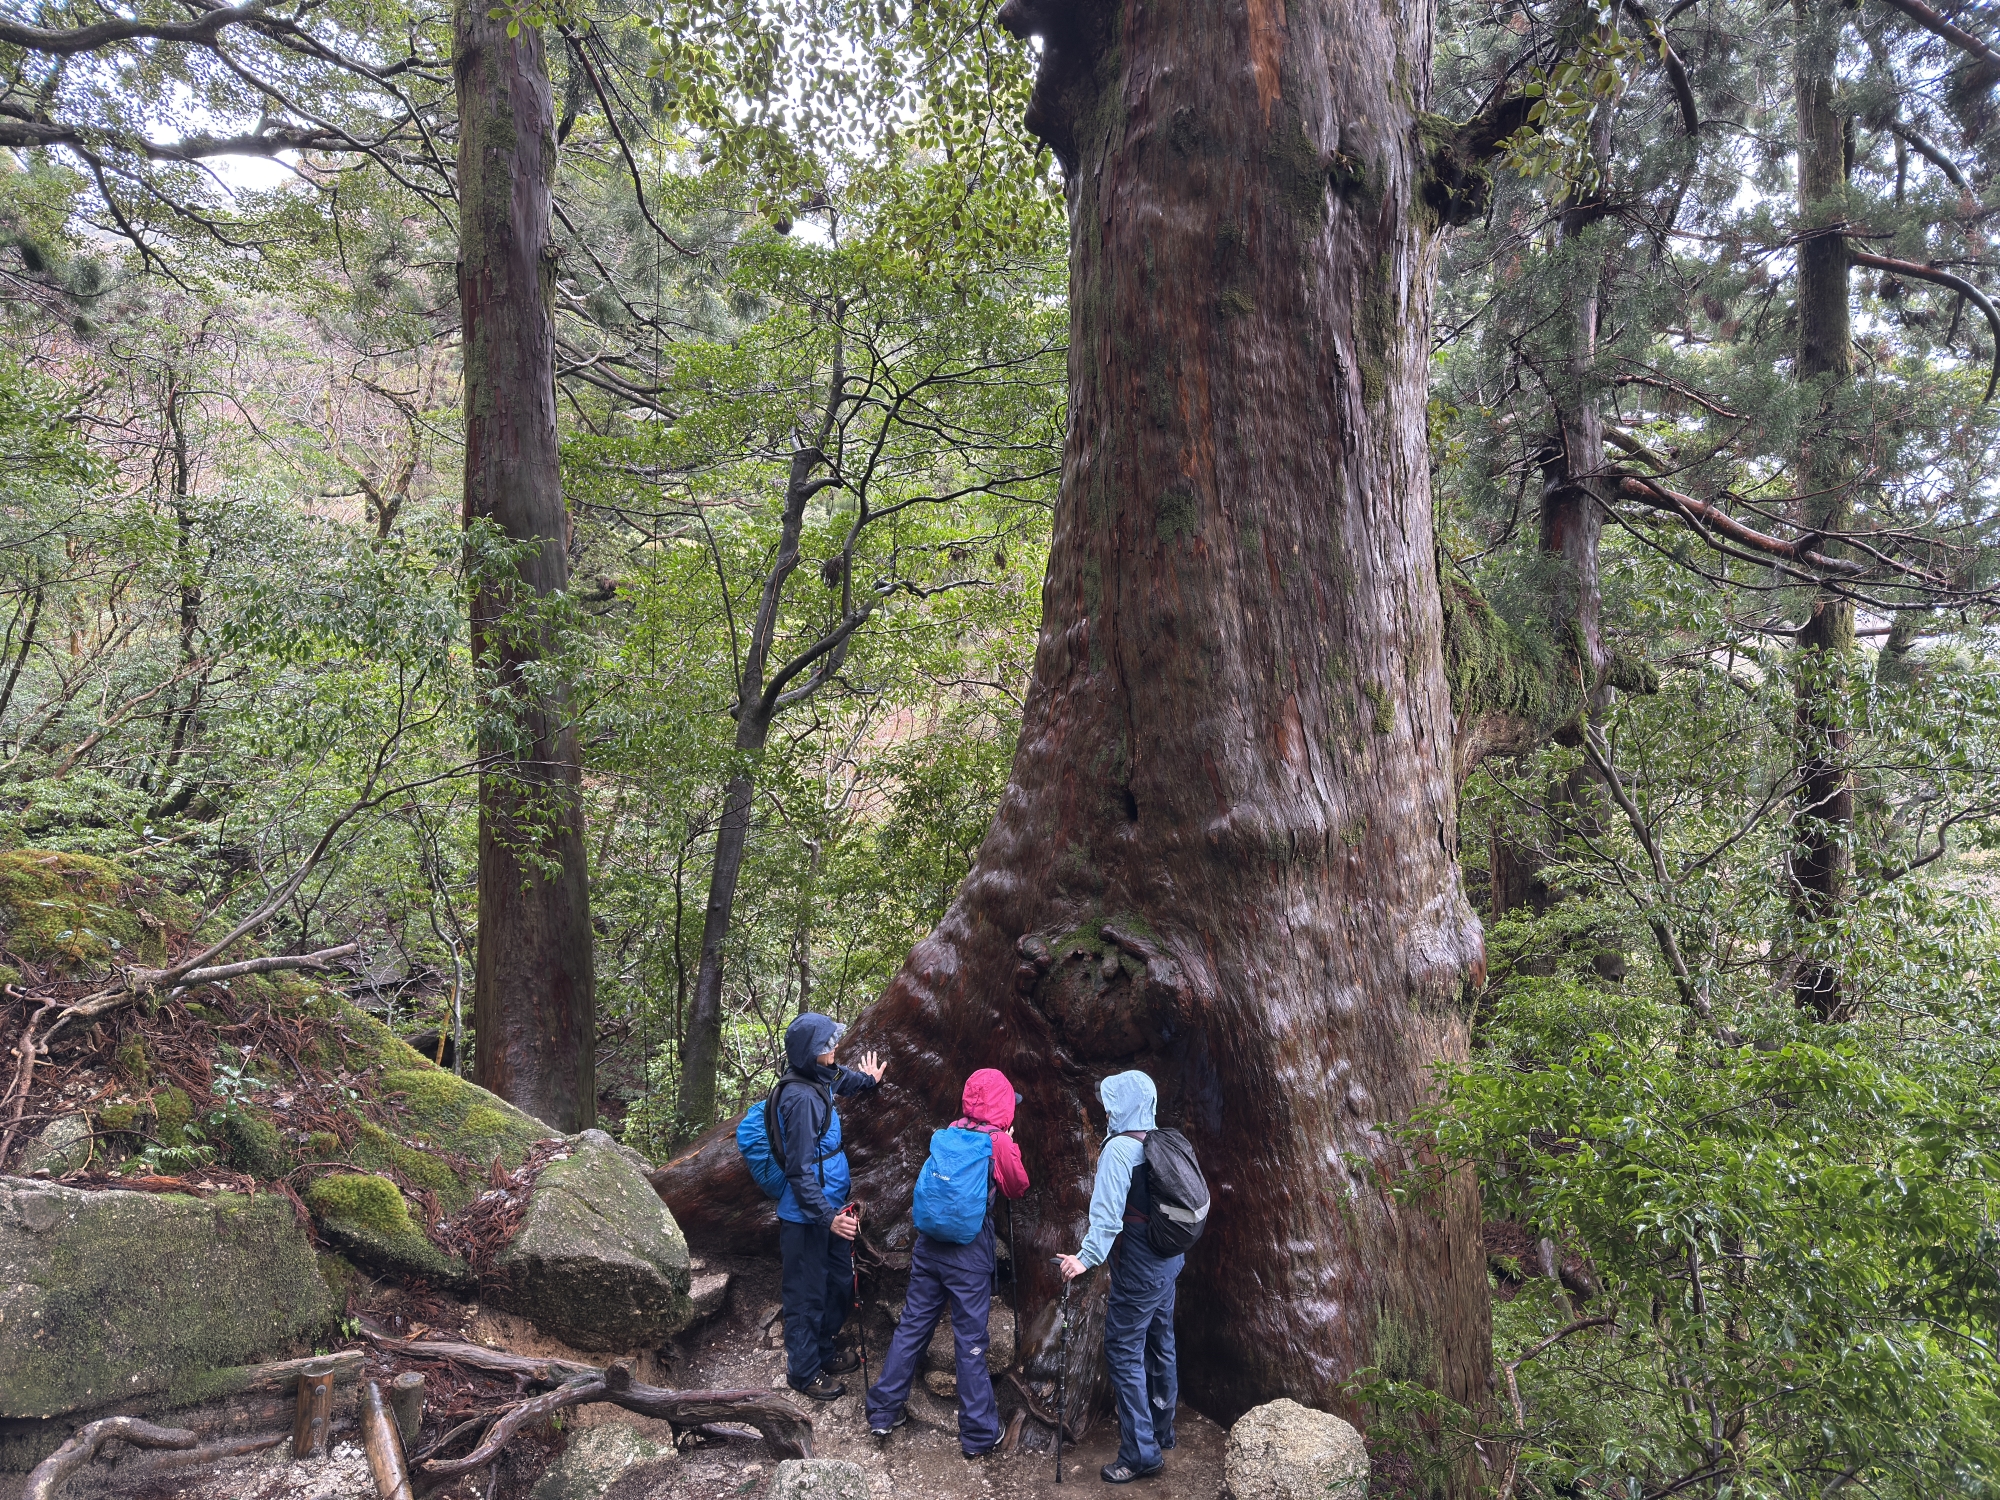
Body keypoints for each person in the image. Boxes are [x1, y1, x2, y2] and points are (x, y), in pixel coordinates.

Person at [866, 1067, 1029, 1456]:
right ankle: (978, 1433)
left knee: (912, 1327)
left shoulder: (949, 1132)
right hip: (969, 1255)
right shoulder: (997, 1143)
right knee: (970, 1342)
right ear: (1004, 1106)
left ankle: (882, 1413)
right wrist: (1009, 1146)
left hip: (929, 1248)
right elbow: (1017, 1186)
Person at [1058, 1070, 1180, 1484]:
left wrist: (1084, 1258)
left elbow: (1108, 1216)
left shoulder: (1119, 1151)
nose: (1105, 1108)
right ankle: (1163, 1431)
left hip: (1141, 1269)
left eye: (1111, 1102)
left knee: (1124, 1351)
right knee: (1161, 1340)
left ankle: (1140, 1454)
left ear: (1122, 1105)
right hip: (1169, 1262)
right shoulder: (1162, 1140)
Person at [774, 1011, 886, 1401]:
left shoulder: (820, 1076)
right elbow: (799, 1171)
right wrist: (828, 1219)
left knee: (838, 1284)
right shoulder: (801, 1099)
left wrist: (870, 1082)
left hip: (832, 1210)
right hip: (808, 1218)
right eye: (826, 1045)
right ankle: (803, 1374)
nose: (834, 1048)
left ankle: (822, 1351)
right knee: (806, 1296)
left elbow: (844, 1080)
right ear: (809, 1054)